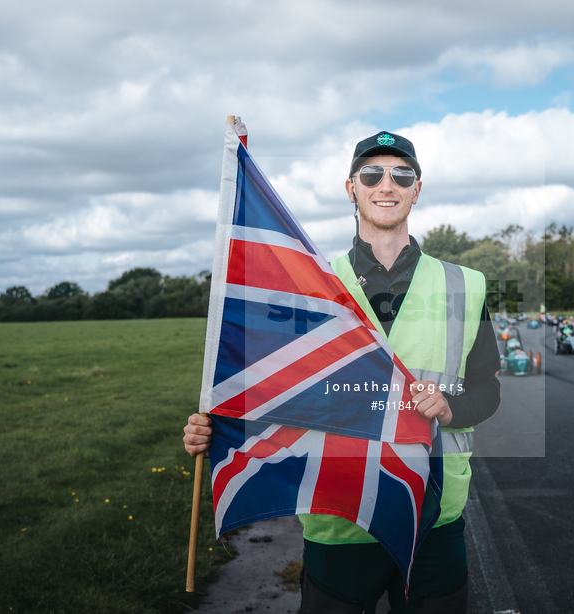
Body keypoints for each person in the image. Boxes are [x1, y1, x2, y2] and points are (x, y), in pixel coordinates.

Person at [184, 130, 501, 613]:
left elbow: (487, 389)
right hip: (338, 516)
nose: (386, 185)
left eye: (402, 174)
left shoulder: (466, 285)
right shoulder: (308, 290)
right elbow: (270, 393)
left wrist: (452, 407)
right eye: (371, 174)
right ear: (350, 188)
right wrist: (217, 427)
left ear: (418, 189)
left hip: (433, 514)